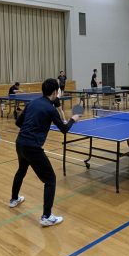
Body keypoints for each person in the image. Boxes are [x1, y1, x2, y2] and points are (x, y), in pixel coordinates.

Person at [10, 78, 81, 227]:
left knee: (21, 170)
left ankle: (14, 199)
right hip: (32, 147)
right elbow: (64, 129)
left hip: (20, 143)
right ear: (55, 92)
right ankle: (47, 216)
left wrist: (32, 127)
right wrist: (73, 119)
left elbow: (18, 123)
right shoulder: (50, 109)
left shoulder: (32, 103)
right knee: (50, 179)